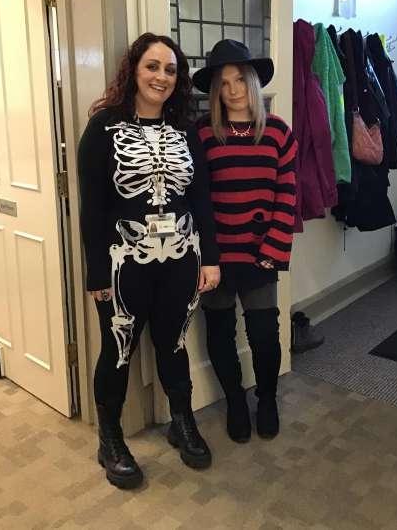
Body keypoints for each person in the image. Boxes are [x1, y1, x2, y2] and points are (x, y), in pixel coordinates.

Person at [78, 33, 220, 489]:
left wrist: (210, 258)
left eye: (170, 70)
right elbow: (92, 208)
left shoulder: (186, 130)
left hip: (181, 256)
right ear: (134, 70)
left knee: (173, 343)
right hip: (124, 259)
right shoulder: (103, 128)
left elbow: (201, 198)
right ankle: (111, 440)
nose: (161, 77)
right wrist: (96, 272)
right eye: (152, 66)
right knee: (118, 350)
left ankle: (182, 422)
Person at [193, 39, 298, 442]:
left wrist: (273, 249)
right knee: (220, 333)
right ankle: (235, 401)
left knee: (264, 334)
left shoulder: (278, 133)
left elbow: (286, 195)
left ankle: (266, 399)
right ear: (215, 90)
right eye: (223, 83)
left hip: (260, 255)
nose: (233, 89)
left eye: (239, 79)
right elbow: (197, 198)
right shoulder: (203, 133)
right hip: (216, 256)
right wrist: (205, 254)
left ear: (252, 81)